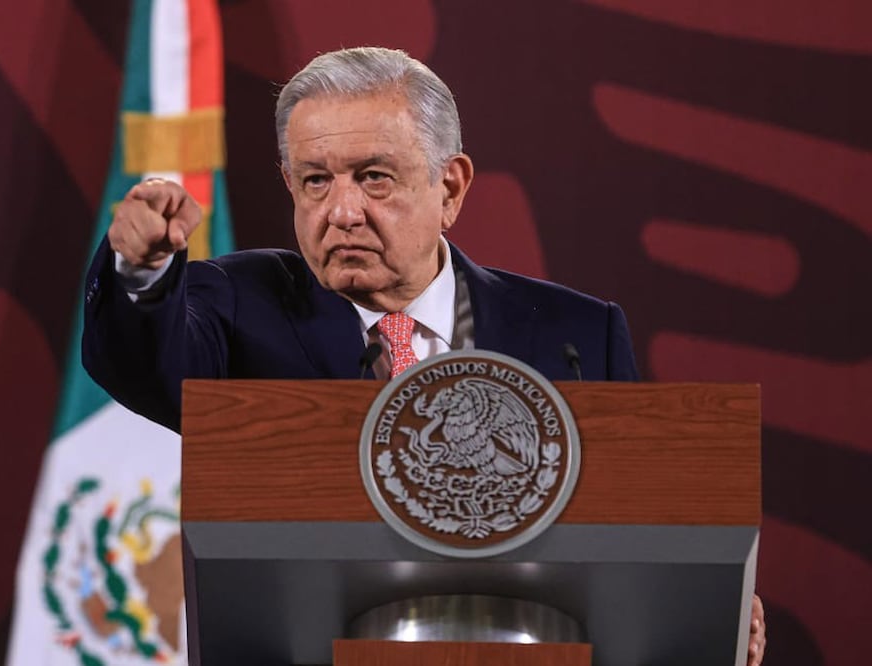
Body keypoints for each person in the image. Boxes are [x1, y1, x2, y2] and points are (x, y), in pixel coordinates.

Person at [80, 46, 764, 664]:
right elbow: (142, 360)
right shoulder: (239, 305)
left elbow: (640, 533)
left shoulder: (577, 336)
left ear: (451, 188)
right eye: (315, 181)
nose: (341, 212)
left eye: (373, 177)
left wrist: (709, 608)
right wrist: (140, 270)